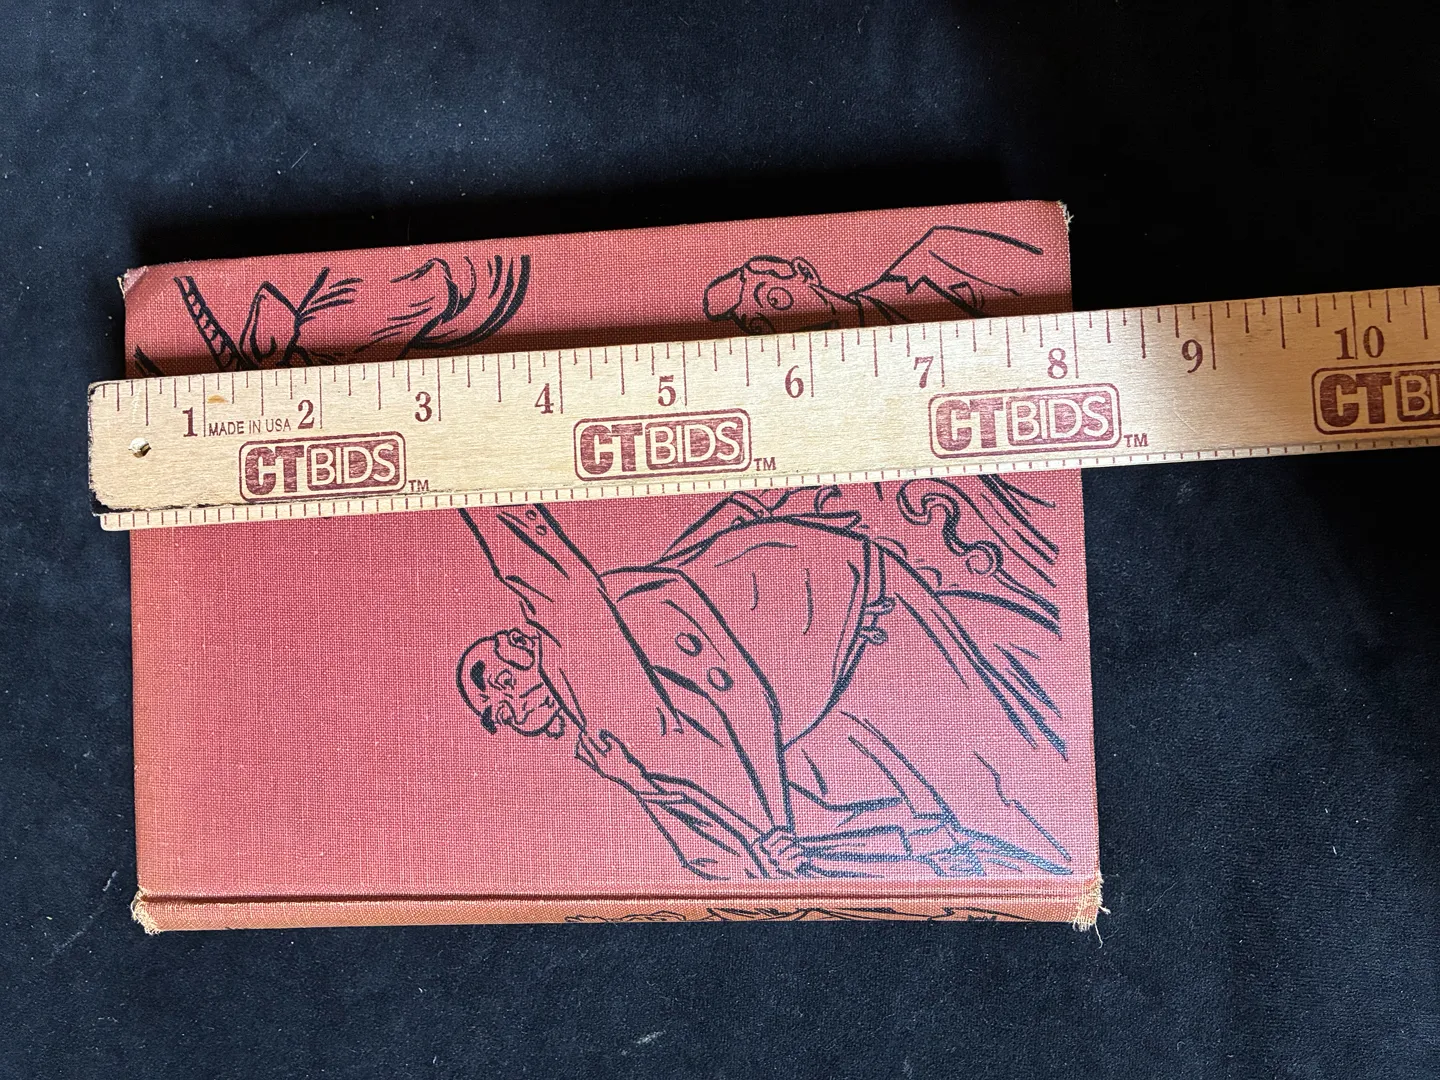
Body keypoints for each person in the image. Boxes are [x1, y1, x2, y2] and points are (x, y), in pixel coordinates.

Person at [456, 482, 1072, 882]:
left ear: (522, 644)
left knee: (1009, 792)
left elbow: (740, 702)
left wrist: (774, 827)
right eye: (495, 711)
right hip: (822, 684)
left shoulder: (593, 642)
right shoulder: (598, 723)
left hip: (863, 614)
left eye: (501, 683)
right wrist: (762, 837)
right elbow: (697, 798)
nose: (506, 709)